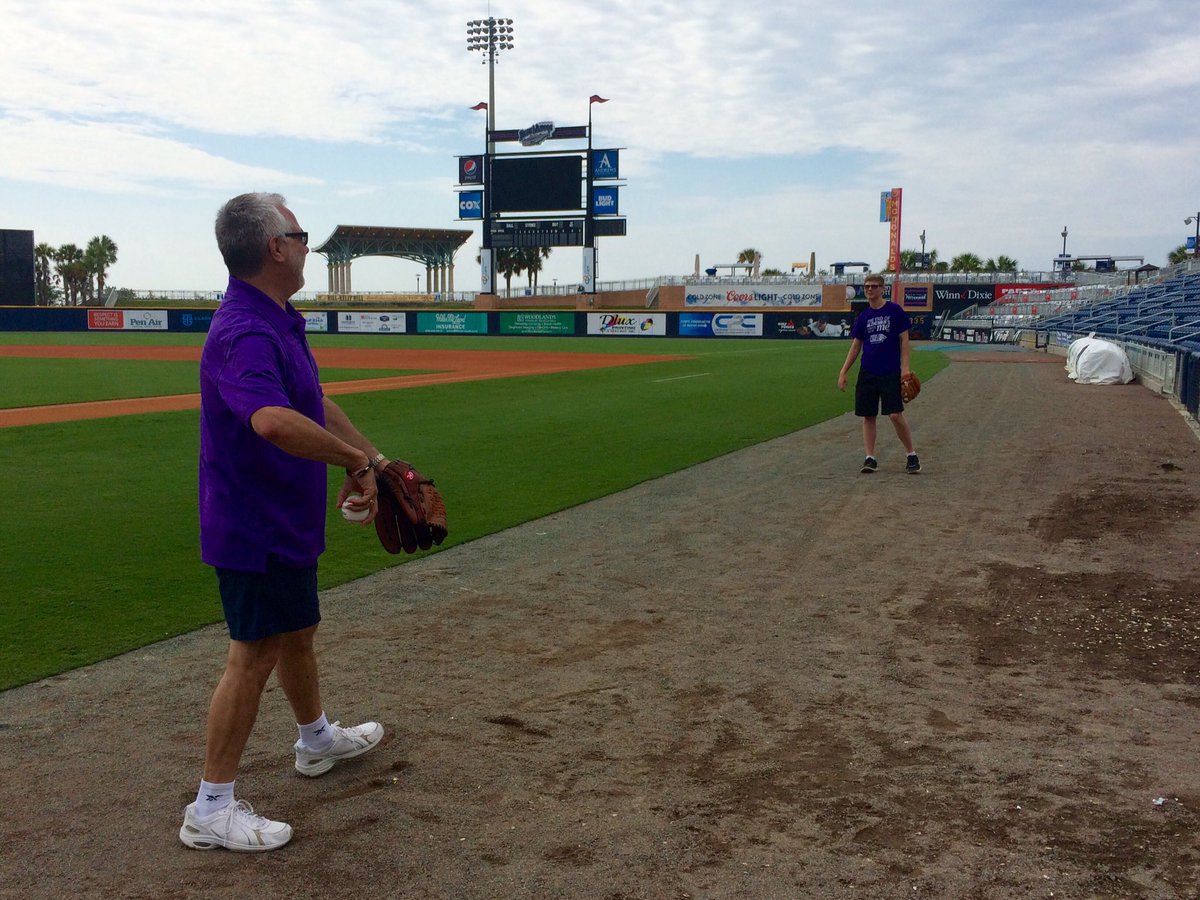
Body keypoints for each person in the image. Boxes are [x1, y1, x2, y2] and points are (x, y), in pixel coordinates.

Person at [180, 193, 391, 852]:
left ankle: (315, 739)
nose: (305, 243)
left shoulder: (276, 318)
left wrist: (373, 461)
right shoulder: (243, 328)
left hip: (283, 516)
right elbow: (270, 419)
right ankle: (210, 807)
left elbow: (311, 404)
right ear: (275, 248)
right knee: (253, 656)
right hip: (252, 522)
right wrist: (352, 461)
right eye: (298, 233)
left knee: (297, 632)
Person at [837, 273, 921, 474]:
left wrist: (905, 368)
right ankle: (870, 457)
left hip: (890, 370)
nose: (870, 289)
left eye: (874, 286)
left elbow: (905, 341)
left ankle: (911, 454)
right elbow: (856, 346)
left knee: (894, 415)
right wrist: (843, 371)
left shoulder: (894, 311)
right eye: (867, 286)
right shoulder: (864, 316)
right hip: (868, 371)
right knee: (868, 415)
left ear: (883, 289)